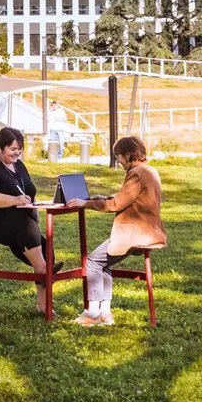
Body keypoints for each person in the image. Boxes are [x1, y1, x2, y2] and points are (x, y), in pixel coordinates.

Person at [66, 136, 167, 326]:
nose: (118, 161)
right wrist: (98, 197)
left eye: (119, 156)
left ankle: (93, 313)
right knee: (103, 263)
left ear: (129, 154)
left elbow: (115, 204)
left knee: (94, 262)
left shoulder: (136, 173)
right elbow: (128, 198)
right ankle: (105, 313)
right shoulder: (150, 171)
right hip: (151, 231)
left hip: (135, 233)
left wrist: (85, 203)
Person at [0, 127, 62, 315]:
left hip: (15, 221)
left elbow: (29, 193)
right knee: (21, 222)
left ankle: (43, 303)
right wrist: (15, 200)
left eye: (19, 149)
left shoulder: (19, 166)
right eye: (12, 149)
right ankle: (43, 270)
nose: (16, 153)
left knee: (45, 246)